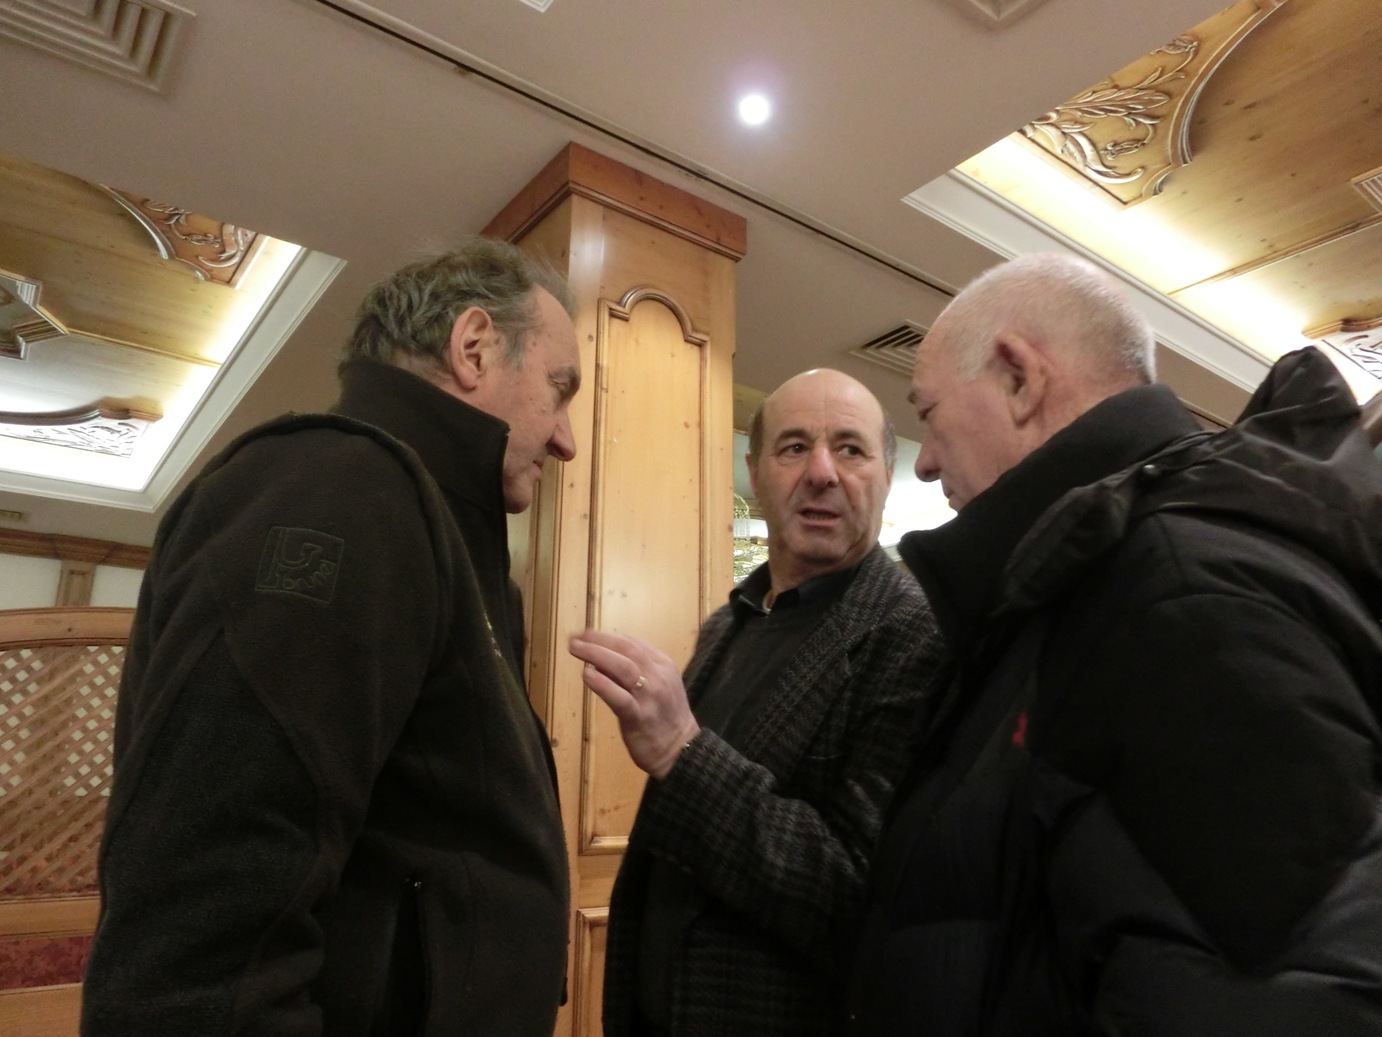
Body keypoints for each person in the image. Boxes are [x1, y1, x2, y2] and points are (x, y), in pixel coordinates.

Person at [849, 252, 1382, 1035]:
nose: (923, 460)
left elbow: (1276, 997)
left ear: (1019, 378)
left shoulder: (1178, 594)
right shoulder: (1082, 586)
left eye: (927, 412)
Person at [82, 237, 582, 1036]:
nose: (566, 438)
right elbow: (200, 951)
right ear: (474, 347)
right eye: (560, 390)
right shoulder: (340, 490)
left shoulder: (434, 532)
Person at [570, 368, 945, 1036]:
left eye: (850, 448)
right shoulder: (730, 622)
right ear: (755, 470)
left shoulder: (915, 635)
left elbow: (857, 898)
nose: (821, 472)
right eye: (794, 447)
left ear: (886, 475)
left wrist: (682, 752)